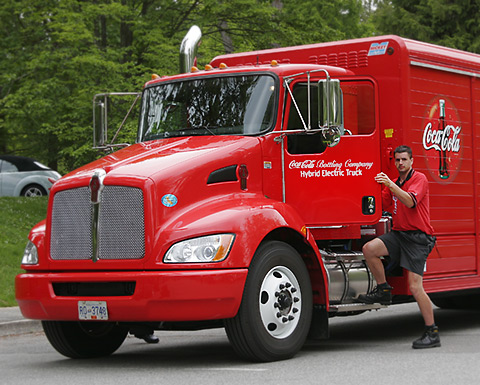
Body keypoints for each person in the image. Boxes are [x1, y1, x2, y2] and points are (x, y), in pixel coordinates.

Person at [357, 145, 440, 349]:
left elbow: (410, 201)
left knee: (415, 287)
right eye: (397, 160)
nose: (400, 163)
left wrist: (390, 186)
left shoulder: (419, 179)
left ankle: (432, 332)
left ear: (411, 161)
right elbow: (383, 203)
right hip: (399, 234)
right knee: (369, 249)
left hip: (418, 238)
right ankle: (383, 289)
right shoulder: (393, 183)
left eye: (404, 159)